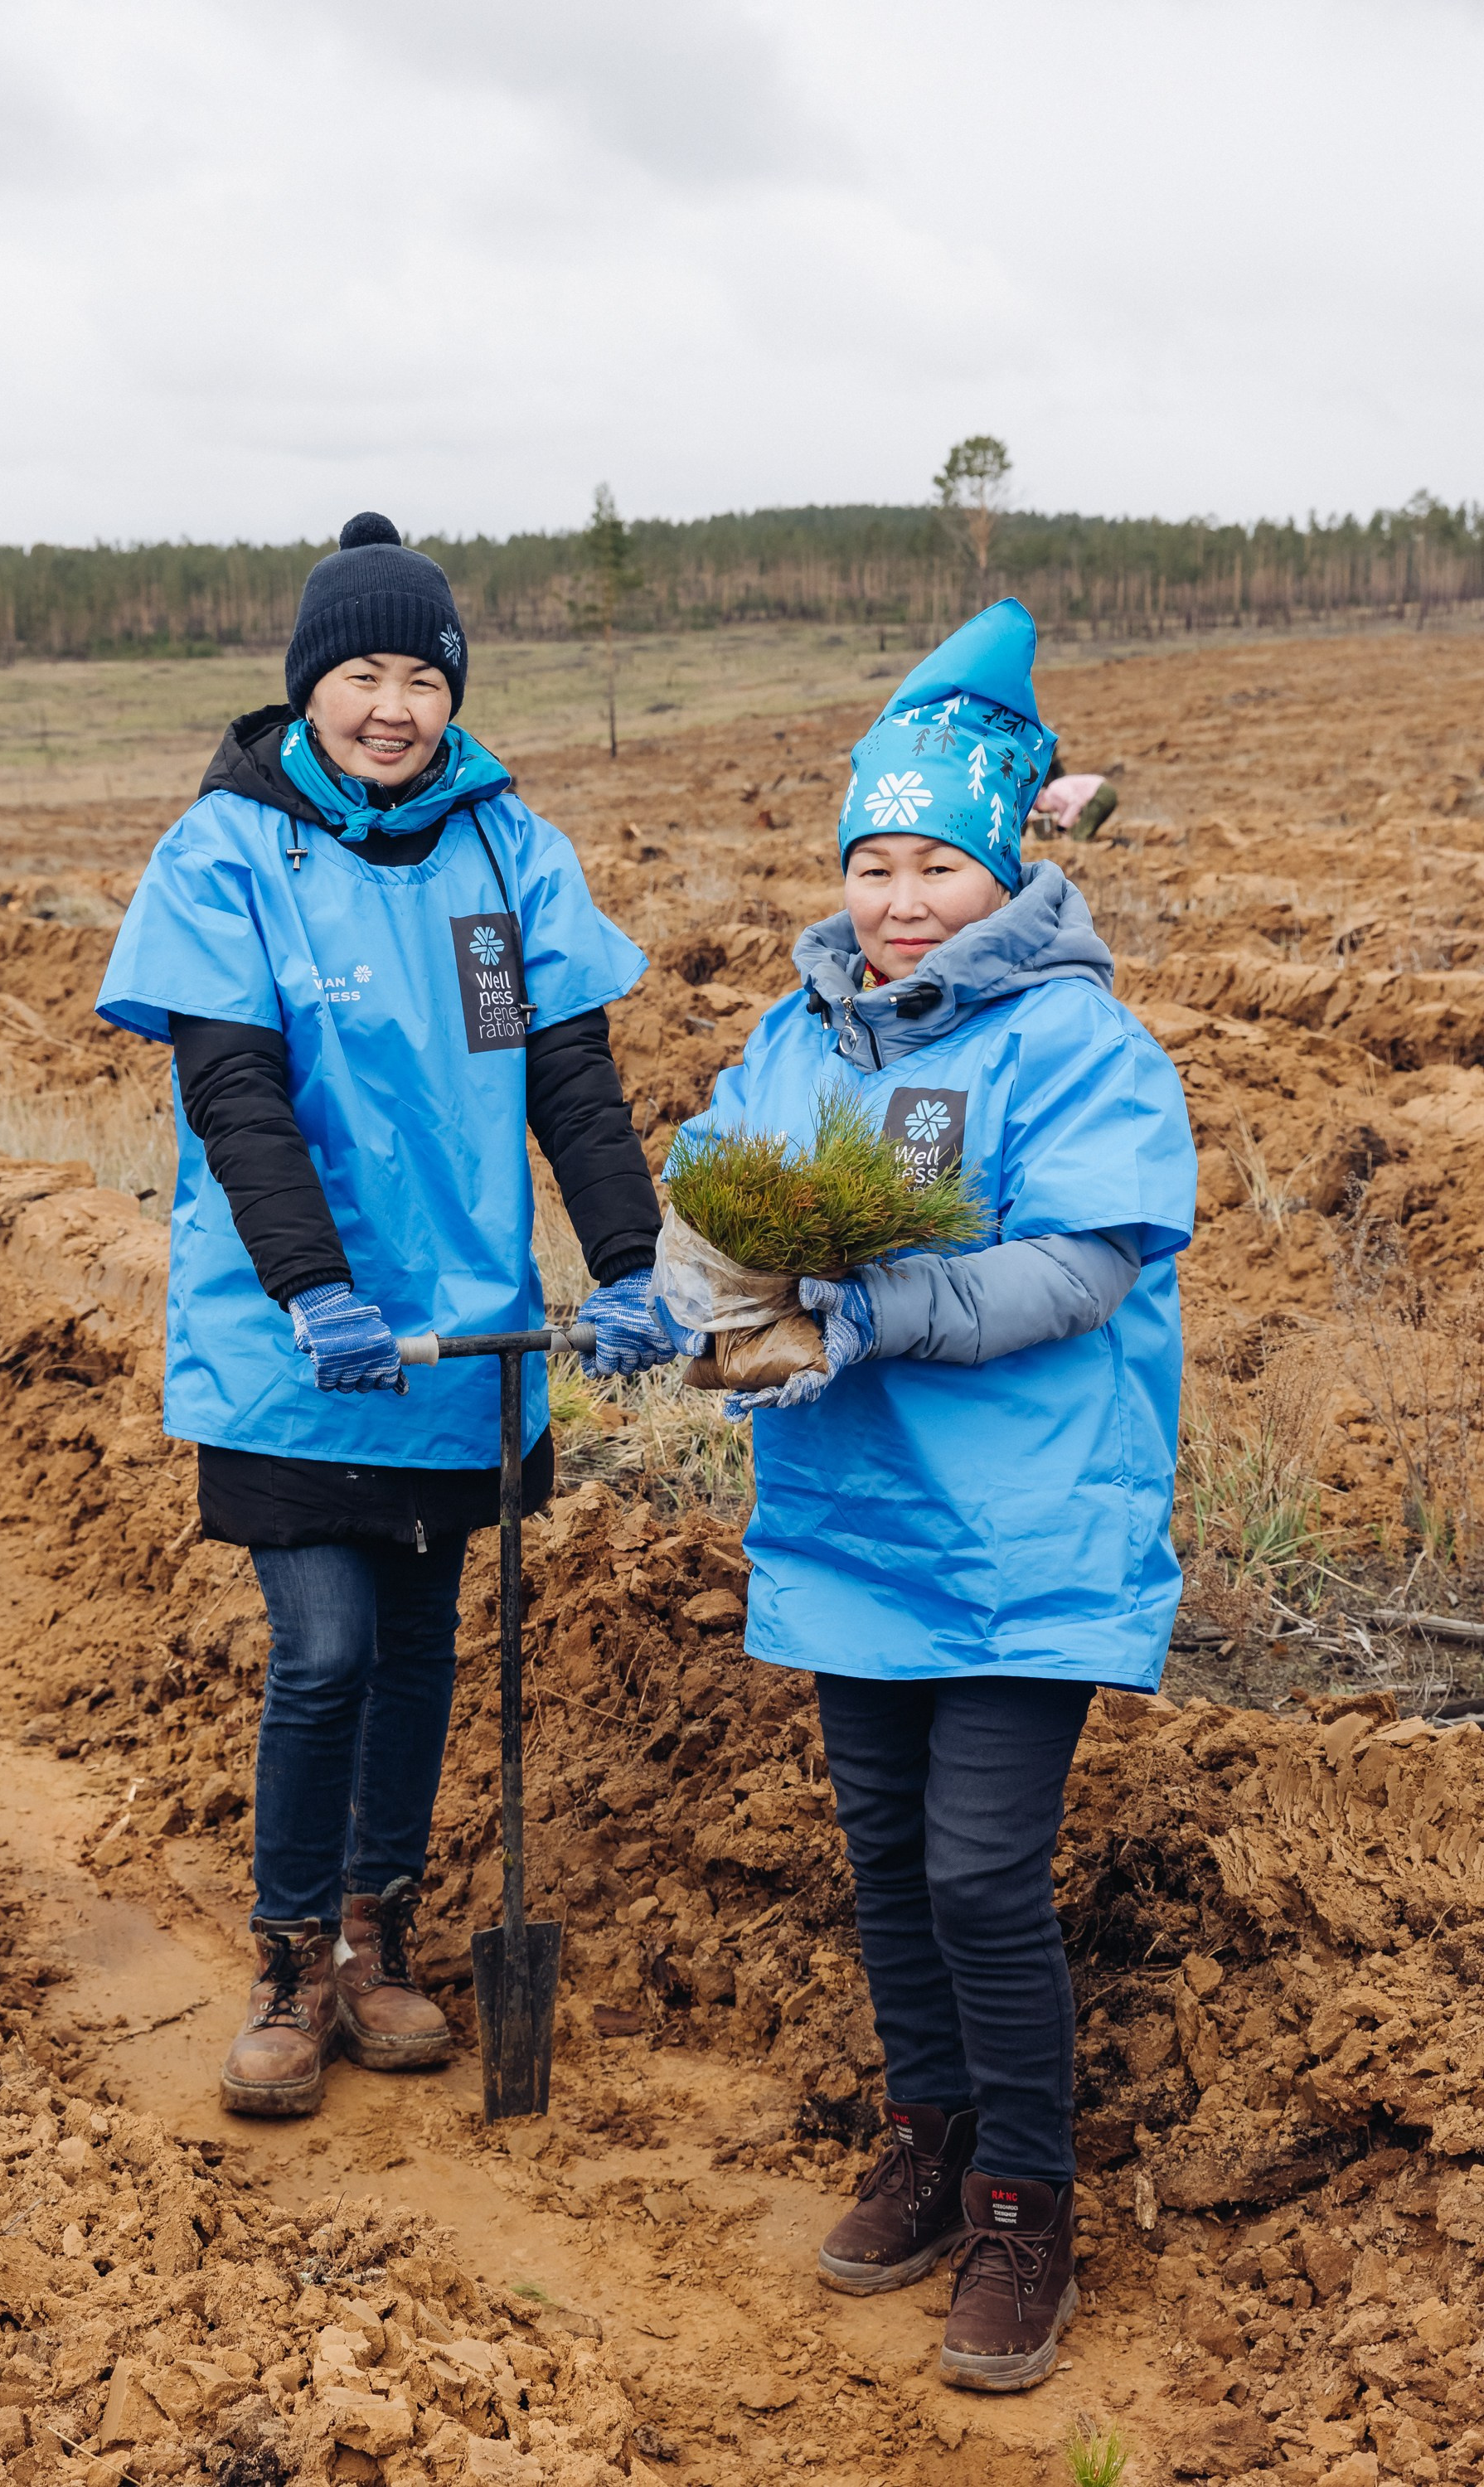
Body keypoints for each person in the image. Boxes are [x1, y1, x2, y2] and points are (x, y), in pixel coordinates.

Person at [657, 599, 1195, 2392]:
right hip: (851, 1519)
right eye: (872, 863)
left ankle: (1027, 2207)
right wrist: (667, 1296)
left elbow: (1080, 1270)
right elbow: (717, 1186)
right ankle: (928, 2131)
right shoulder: (806, 1035)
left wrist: (870, 1308)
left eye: (934, 865)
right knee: (887, 1863)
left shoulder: (1076, 1047)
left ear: (1002, 870)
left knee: (980, 1874)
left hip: (1021, 1535)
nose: (897, 901)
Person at [96, 514, 677, 2117]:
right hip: (298, 1339)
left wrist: (630, 1261)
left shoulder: (510, 852)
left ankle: (381, 1938)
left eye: (423, 676)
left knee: (420, 1646)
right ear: (307, 689)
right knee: (329, 1646)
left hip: (461, 1337)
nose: (393, 705)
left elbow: (570, 1075)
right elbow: (235, 1091)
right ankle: (288, 1958)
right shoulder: (226, 851)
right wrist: (316, 1287)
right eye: (362, 672)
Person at [1030, 754, 1118, 841]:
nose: (1046, 812)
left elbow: (1076, 803)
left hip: (1101, 793)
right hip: (1102, 794)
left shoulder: (1054, 789)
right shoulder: (1056, 797)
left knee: (1080, 837)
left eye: (1040, 810)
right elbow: (1070, 813)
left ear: (1041, 801)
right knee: (1083, 832)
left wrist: (1062, 826)